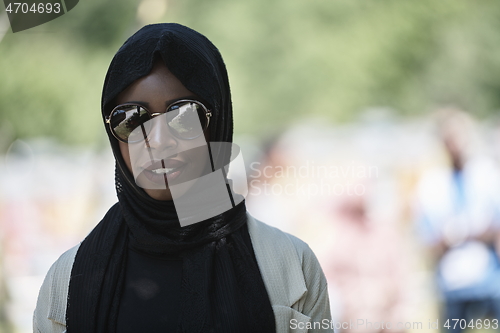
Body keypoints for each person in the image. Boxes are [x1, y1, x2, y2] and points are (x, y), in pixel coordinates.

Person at [33, 23, 332, 332]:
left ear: (217, 122)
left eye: (183, 113)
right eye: (130, 118)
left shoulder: (291, 266)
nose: (158, 139)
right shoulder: (68, 281)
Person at [415, 109, 500, 331]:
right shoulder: (432, 185)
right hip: (453, 283)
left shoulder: (486, 177)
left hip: (489, 280)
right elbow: (428, 242)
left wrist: (466, 231)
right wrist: (453, 236)